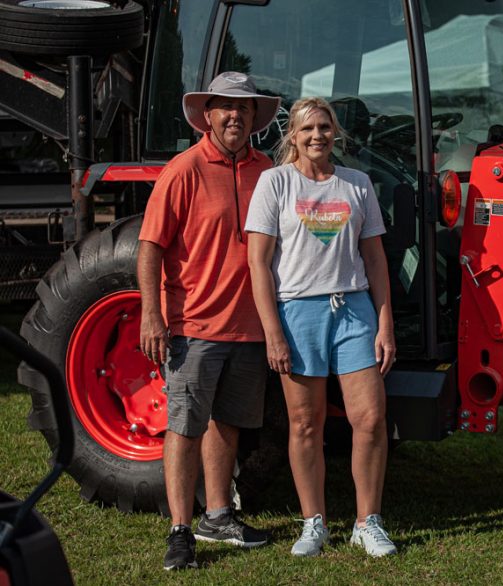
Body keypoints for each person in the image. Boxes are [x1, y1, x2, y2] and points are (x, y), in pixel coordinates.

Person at [138, 71, 280, 571]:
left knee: (229, 423)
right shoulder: (184, 169)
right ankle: (180, 529)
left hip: (249, 326)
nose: (235, 115)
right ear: (208, 115)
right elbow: (150, 245)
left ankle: (218, 514)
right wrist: (152, 314)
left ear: (255, 118)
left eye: (244, 108)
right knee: (185, 425)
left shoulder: (269, 170)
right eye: (225, 107)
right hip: (193, 325)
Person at [246, 97, 398, 558]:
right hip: (298, 312)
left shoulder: (357, 184)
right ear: (292, 135)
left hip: (353, 310)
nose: (318, 135)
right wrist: (273, 330)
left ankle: (367, 521)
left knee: (370, 420)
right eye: (308, 128)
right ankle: (314, 523)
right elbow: (258, 262)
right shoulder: (275, 183)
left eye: (325, 127)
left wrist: (385, 323)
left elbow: (374, 259)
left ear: (336, 134)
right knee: (305, 424)